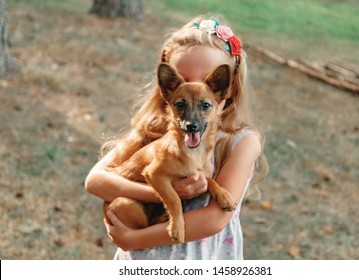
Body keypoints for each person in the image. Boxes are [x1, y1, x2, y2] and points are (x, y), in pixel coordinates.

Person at [85, 15, 268, 260]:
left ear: (227, 87)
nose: (193, 90)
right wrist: (166, 193)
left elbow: (214, 218)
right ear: (168, 88)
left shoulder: (241, 143)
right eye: (181, 79)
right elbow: (95, 181)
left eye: (207, 81)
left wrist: (133, 239)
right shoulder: (153, 129)